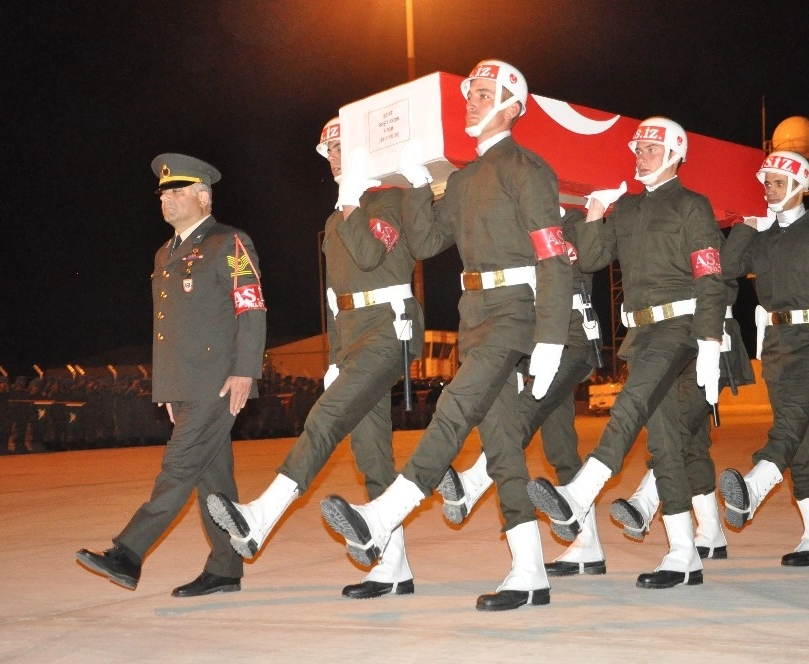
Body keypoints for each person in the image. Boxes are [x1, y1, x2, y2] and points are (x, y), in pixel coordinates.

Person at [320, 59, 573, 611]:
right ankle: (530, 571)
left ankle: (382, 516)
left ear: (512, 106)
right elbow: (429, 241)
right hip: (476, 314)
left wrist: (551, 337)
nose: (472, 102)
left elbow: (554, 257)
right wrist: (415, 185)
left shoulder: (527, 169)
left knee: (455, 406)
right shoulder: (461, 179)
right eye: (470, 94)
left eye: (484, 95)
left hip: (517, 312)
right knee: (504, 447)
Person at [205, 118, 425, 600]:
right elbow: (333, 297)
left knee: (324, 418)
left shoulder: (389, 199)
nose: (336, 155)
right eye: (331, 148)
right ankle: (394, 568)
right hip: (352, 337)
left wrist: (350, 201)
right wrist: (333, 356)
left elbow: (369, 255)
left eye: (345, 145)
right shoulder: (333, 219)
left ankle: (261, 516)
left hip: (390, 330)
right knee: (372, 455)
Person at [527, 117, 726, 590]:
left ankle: (581, 491)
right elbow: (592, 259)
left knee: (630, 403)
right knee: (663, 443)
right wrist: (595, 213)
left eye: (652, 149)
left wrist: (711, 342)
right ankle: (683, 553)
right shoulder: (629, 210)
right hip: (643, 334)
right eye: (639, 147)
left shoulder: (693, 206)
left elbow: (711, 276)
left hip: (680, 328)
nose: (641, 154)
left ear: (676, 154)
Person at [76, 154, 267, 596]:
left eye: (177, 191)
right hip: (184, 383)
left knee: (178, 466)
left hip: (218, 380)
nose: (167, 200)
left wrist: (245, 370)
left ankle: (129, 553)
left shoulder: (229, 241)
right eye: (163, 193)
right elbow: (167, 326)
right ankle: (226, 568)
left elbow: (251, 307)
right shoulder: (165, 252)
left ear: (204, 196)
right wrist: (166, 384)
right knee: (212, 477)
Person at [717, 150, 809, 567]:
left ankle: (754, 484)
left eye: (779, 182)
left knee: (788, 424)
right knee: (798, 436)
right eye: (766, 182)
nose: (770, 189)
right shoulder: (763, 238)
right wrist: (747, 228)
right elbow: (727, 269)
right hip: (776, 344)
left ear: (800, 187)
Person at [435, 206, 606, 577]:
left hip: (574, 336)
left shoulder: (576, 220)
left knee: (526, 409)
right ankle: (588, 544)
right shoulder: (525, 223)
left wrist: (594, 214)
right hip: (538, 339)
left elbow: (592, 258)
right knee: (560, 448)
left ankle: (475, 480)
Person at [610, 277, 755, 560]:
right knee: (692, 443)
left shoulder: (707, 241)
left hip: (713, 344)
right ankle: (711, 533)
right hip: (680, 343)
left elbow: (724, 280)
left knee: (676, 431)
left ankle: (644, 503)